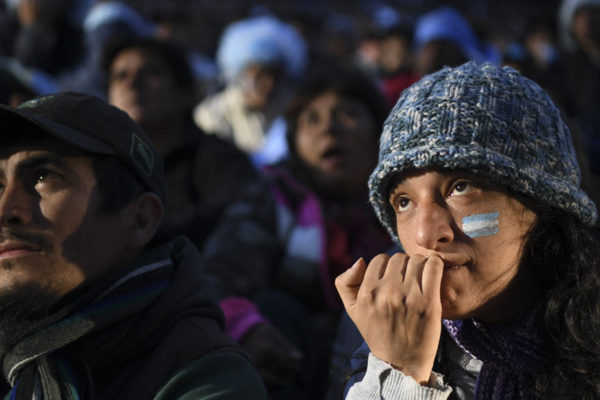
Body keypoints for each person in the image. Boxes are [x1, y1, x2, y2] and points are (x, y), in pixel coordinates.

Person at [335, 61, 600, 399]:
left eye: (460, 187)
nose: (424, 235)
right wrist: (400, 374)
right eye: (404, 202)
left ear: (542, 203)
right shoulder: (381, 342)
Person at [0, 92, 267, 399]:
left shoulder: (208, 377)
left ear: (139, 220)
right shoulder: (22, 366)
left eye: (44, 177)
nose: (6, 211)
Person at [199, 64, 391, 399]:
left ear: (379, 131)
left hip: (389, 362)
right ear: (294, 143)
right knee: (275, 307)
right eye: (311, 120)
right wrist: (246, 327)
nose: (328, 129)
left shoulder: (409, 203)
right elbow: (216, 279)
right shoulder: (273, 199)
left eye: (346, 113)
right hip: (297, 369)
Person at [103, 36, 265, 248]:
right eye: (120, 76)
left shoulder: (221, 159)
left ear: (186, 93)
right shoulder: (100, 167)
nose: (132, 84)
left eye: (151, 73)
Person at [193, 15, 307, 167]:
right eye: (260, 76)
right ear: (242, 75)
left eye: (276, 76)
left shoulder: (292, 110)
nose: (269, 84)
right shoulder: (212, 116)